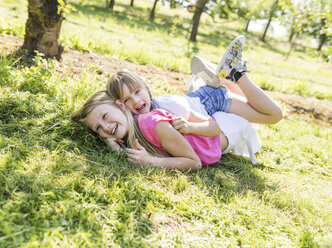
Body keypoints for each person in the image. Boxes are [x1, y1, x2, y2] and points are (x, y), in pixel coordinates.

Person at [105, 36, 282, 163]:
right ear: (121, 106)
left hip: (212, 101)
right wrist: (112, 143)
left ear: (146, 88)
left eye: (137, 92)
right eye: (127, 100)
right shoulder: (145, 117)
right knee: (250, 107)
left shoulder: (167, 106)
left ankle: (235, 74)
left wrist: (191, 126)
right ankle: (221, 78)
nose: (135, 101)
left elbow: (209, 126)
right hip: (199, 100)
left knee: (273, 115)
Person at [72, 90, 224, 170]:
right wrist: (115, 149)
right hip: (201, 118)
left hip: (223, 132)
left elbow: (194, 163)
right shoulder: (129, 134)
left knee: (237, 107)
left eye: (105, 116)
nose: (106, 127)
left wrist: (151, 161)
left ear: (120, 105)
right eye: (98, 128)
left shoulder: (153, 124)